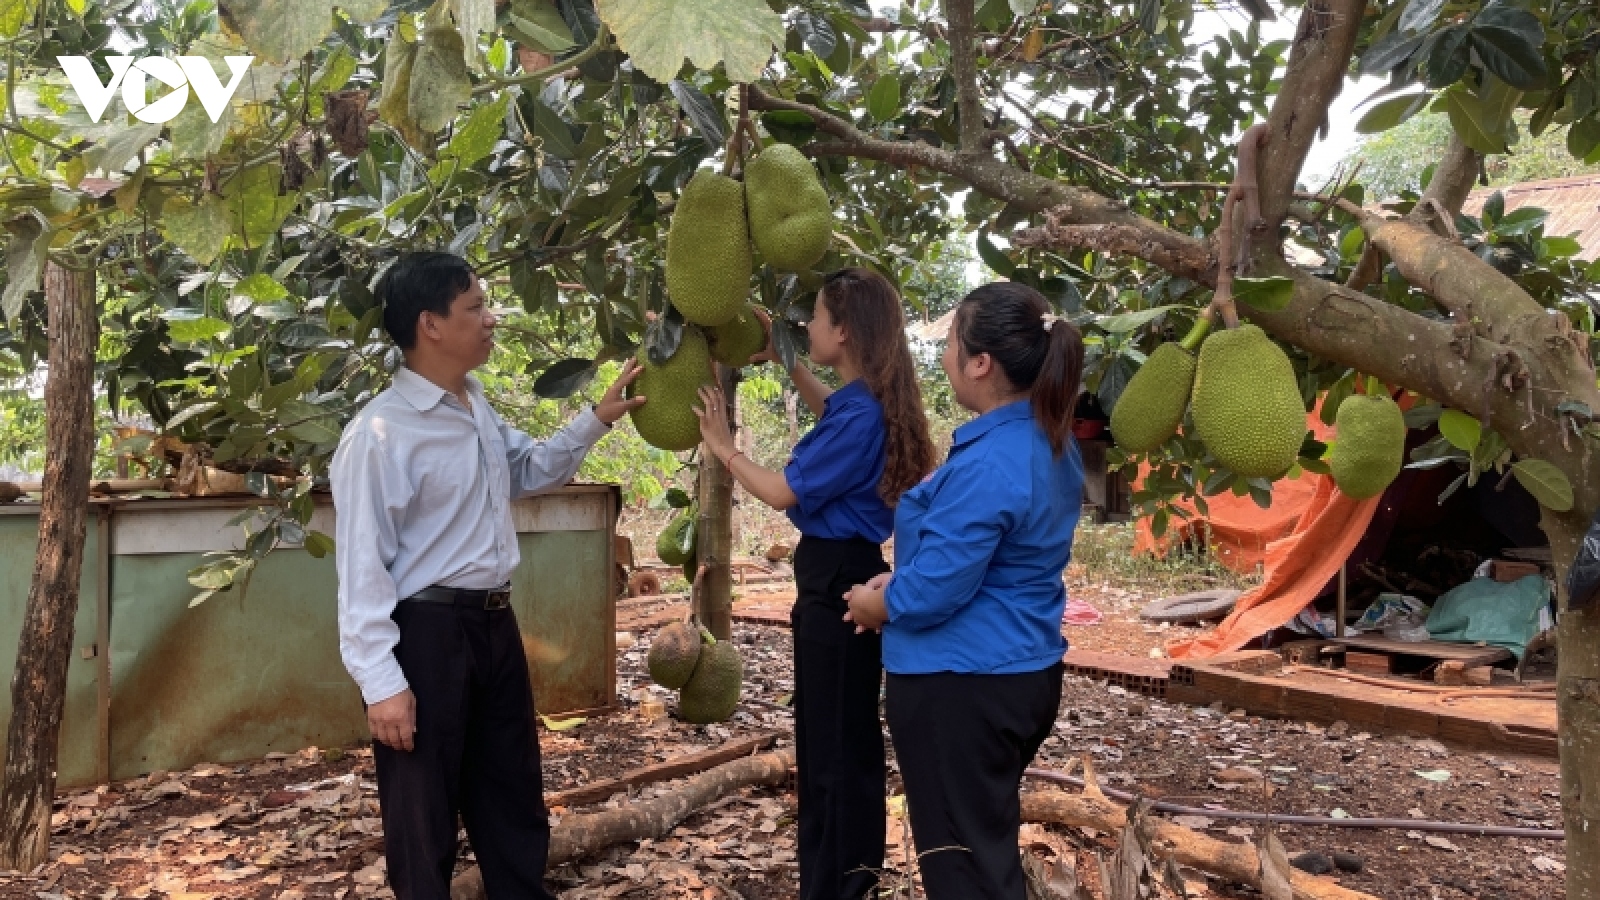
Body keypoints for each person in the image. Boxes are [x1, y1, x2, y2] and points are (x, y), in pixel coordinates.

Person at [330, 251, 646, 900]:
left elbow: (530, 471)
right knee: (424, 825)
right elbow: (361, 568)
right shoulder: (380, 436)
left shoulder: (473, 408)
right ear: (431, 325)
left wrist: (598, 418)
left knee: (512, 804)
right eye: (475, 307)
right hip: (425, 635)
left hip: (495, 626)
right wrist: (381, 683)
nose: (489, 318)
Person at [692, 267, 936, 900]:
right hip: (840, 571)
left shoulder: (861, 418)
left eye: (817, 321)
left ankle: (839, 886)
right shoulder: (865, 401)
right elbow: (834, 411)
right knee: (836, 734)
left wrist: (723, 447)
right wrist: (788, 360)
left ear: (844, 331)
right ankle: (835, 879)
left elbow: (779, 491)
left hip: (839, 580)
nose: (809, 328)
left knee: (835, 745)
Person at [844, 282, 1085, 900]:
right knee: (982, 846)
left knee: (963, 867)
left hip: (962, 688)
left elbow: (939, 589)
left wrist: (884, 602)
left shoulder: (990, 462)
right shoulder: (1048, 442)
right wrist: (903, 582)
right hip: (1019, 672)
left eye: (950, 341)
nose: (945, 353)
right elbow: (987, 559)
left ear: (980, 363)